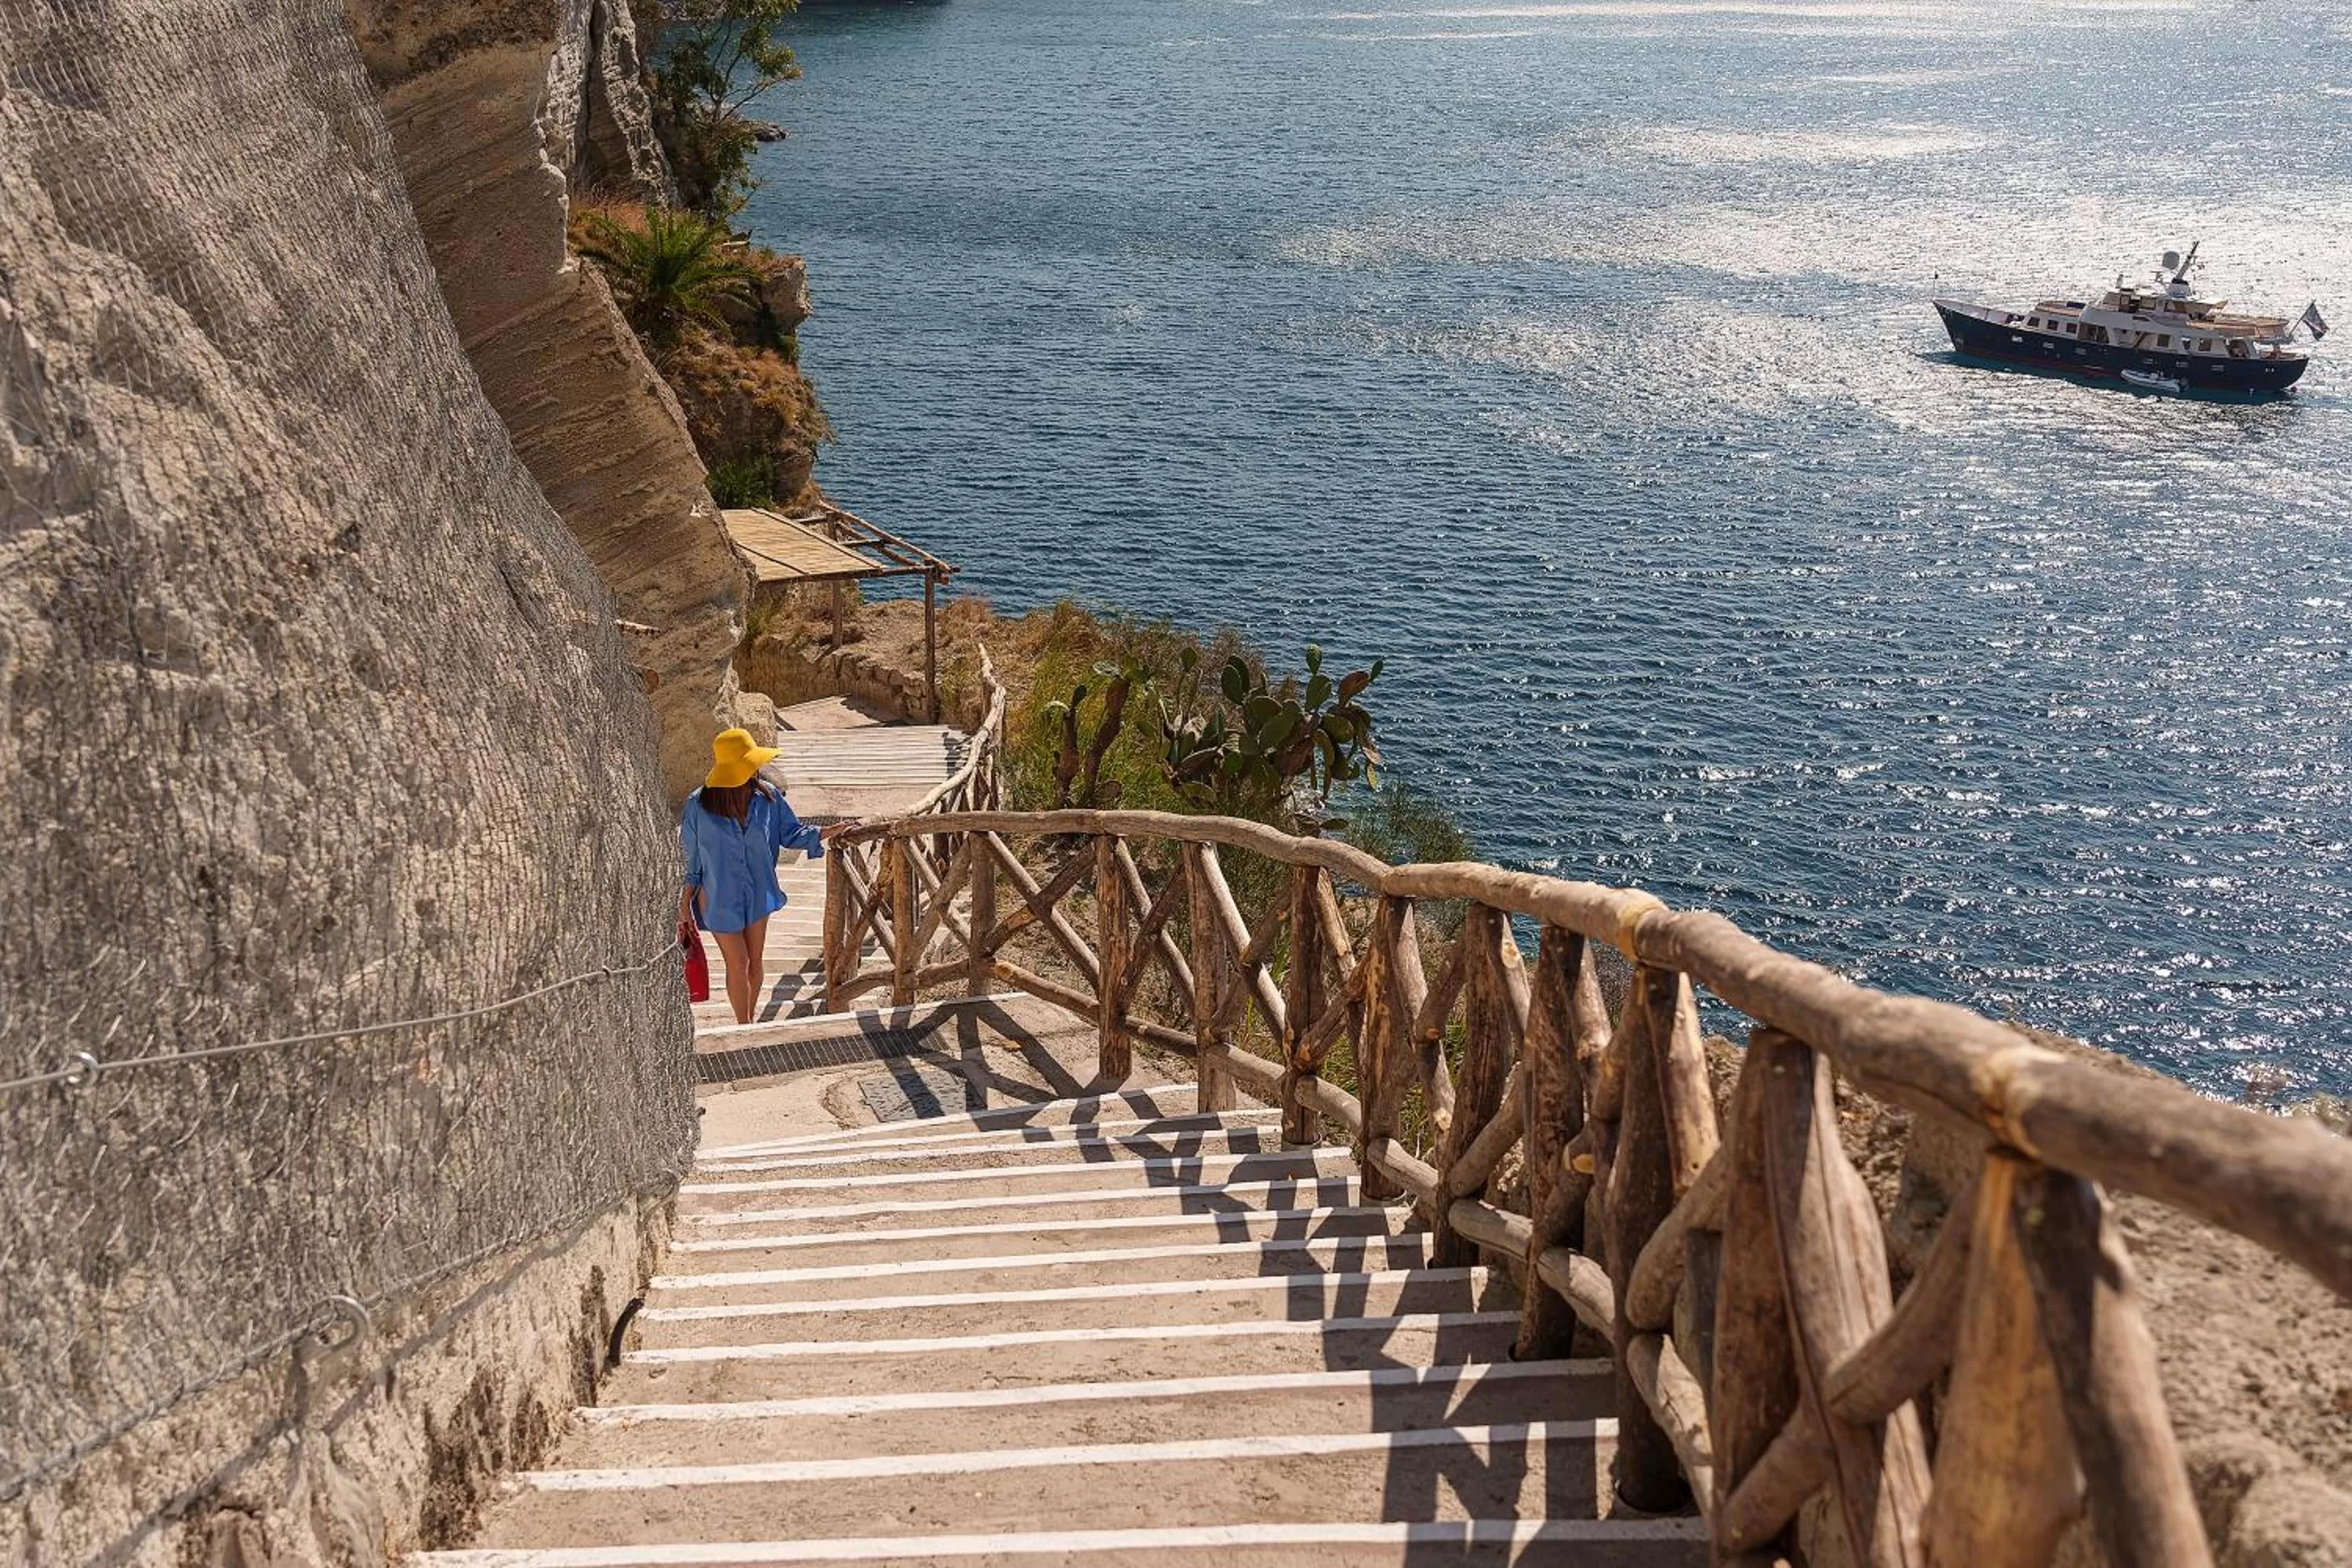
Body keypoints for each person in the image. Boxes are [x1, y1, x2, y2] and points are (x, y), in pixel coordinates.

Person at [679, 728, 839, 1025]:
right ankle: (744, 1026)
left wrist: (827, 832)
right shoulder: (697, 805)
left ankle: (749, 1019)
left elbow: (790, 833)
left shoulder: (768, 797)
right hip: (717, 896)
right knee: (737, 963)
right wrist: (683, 906)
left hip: (758, 891)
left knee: (754, 962)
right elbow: (691, 860)